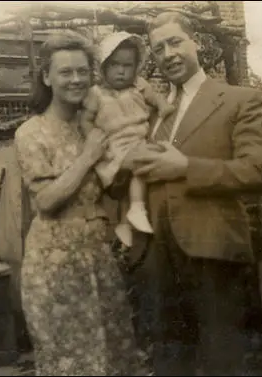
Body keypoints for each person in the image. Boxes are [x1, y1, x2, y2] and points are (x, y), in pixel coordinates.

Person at [114, 12, 262, 376]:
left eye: (175, 42)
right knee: (169, 363)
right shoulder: (151, 114)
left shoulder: (238, 100)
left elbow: (259, 171)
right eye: (158, 49)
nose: (167, 54)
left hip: (211, 251)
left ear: (196, 42)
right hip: (157, 259)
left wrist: (186, 168)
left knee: (222, 362)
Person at [14, 31, 149, 376]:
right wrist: (89, 157)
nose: (76, 79)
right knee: (71, 361)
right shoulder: (32, 131)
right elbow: (45, 201)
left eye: (82, 70)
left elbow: (112, 188)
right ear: (47, 77)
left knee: (114, 355)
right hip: (55, 262)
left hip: (98, 254)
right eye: (65, 72)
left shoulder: (98, 122)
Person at [80, 31, 174, 247]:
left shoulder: (140, 86)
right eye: (114, 65)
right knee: (140, 166)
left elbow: (158, 102)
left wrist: (164, 107)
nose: (121, 71)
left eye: (127, 65)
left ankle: (124, 222)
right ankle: (137, 208)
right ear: (103, 67)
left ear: (136, 67)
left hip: (138, 142)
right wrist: (93, 142)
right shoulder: (96, 94)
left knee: (139, 171)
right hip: (113, 149)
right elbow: (85, 120)